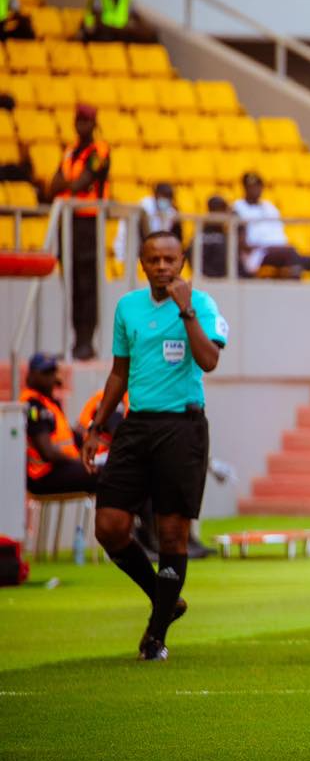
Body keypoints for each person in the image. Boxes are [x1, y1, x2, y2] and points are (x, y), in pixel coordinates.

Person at [82, 232, 228, 662]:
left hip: (182, 427)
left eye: (170, 259)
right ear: (141, 263)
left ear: (183, 260)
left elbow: (209, 361)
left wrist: (185, 311)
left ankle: (157, 633)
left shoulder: (201, 304)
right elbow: (118, 372)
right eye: (153, 259)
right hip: (136, 423)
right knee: (108, 525)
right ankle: (164, 598)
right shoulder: (127, 307)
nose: (162, 266)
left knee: (171, 533)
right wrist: (96, 426)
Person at [42, 103, 110, 360]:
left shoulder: (99, 151)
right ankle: (75, 341)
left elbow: (83, 181)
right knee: (71, 282)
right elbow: (53, 185)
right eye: (79, 121)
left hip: (89, 223)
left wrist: (66, 185)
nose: (82, 126)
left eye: (87, 121)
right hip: (68, 222)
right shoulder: (70, 151)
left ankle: (86, 341)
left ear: (94, 124)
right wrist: (66, 185)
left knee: (87, 284)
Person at [22, 353, 97, 496]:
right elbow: (48, 453)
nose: (50, 377)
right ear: (31, 375)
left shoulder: (50, 403)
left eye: (52, 371)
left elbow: (68, 437)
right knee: (107, 475)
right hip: (43, 475)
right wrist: (78, 461)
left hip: (59, 468)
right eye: (45, 372)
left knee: (113, 469)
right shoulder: (32, 406)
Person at [233, 172, 308, 279]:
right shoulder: (237, 208)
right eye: (252, 187)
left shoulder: (269, 207)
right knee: (291, 255)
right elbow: (243, 243)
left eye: (258, 186)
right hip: (257, 253)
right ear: (245, 188)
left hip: (277, 248)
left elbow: (279, 232)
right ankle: (295, 288)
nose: (256, 190)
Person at [114, 182, 180, 265]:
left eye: (168, 197)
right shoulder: (145, 206)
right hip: (130, 248)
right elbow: (145, 234)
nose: (165, 200)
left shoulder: (170, 212)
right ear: (156, 195)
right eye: (163, 196)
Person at [199, 196, 232, 279]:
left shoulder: (227, 233)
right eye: (223, 210)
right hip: (209, 279)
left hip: (225, 278)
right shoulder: (201, 232)